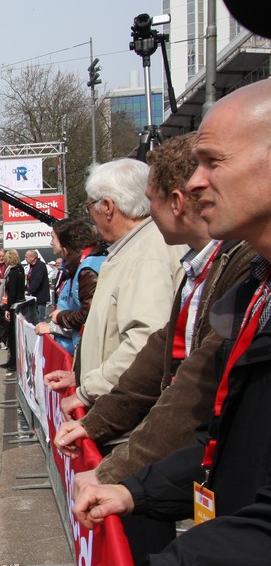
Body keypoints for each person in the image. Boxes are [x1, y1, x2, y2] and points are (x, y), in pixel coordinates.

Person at [69, 79, 271, 566]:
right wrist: (135, 488)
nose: (197, 182)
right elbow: (223, 443)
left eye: (214, 162)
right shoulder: (254, 288)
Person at [48, 159, 186, 419]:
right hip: (122, 402)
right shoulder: (138, 248)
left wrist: (88, 390)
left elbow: (145, 342)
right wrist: (82, 376)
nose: (91, 216)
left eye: (90, 206)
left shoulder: (146, 255)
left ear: (108, 207)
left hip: (129, 414)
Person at [33, 219, 106, 355]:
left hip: (87, 350)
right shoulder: (80, 266)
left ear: (64, 241)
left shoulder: (88, 269)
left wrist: (60, 317)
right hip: (79, 347)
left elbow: (89, 315)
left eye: (53, 238)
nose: (51, 242)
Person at [0, 250, 25, 371]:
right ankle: (13, 360)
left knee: (12, 334)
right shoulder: (19, 270)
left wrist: (7, 308)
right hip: (17, 304)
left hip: (14, 306)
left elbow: (12, 292)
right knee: (13, 334)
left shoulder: (13, 272)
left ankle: (13, 361)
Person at [23, 249, 51, 324]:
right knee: (33, 320)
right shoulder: (31, 266)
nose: (25, 259)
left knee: (39, 320)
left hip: (40, 298)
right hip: (33, 297)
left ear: (32, 258)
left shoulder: (40, 265)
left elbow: (37, 280)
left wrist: (29, 291)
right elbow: (29, 280)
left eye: (26, 257)